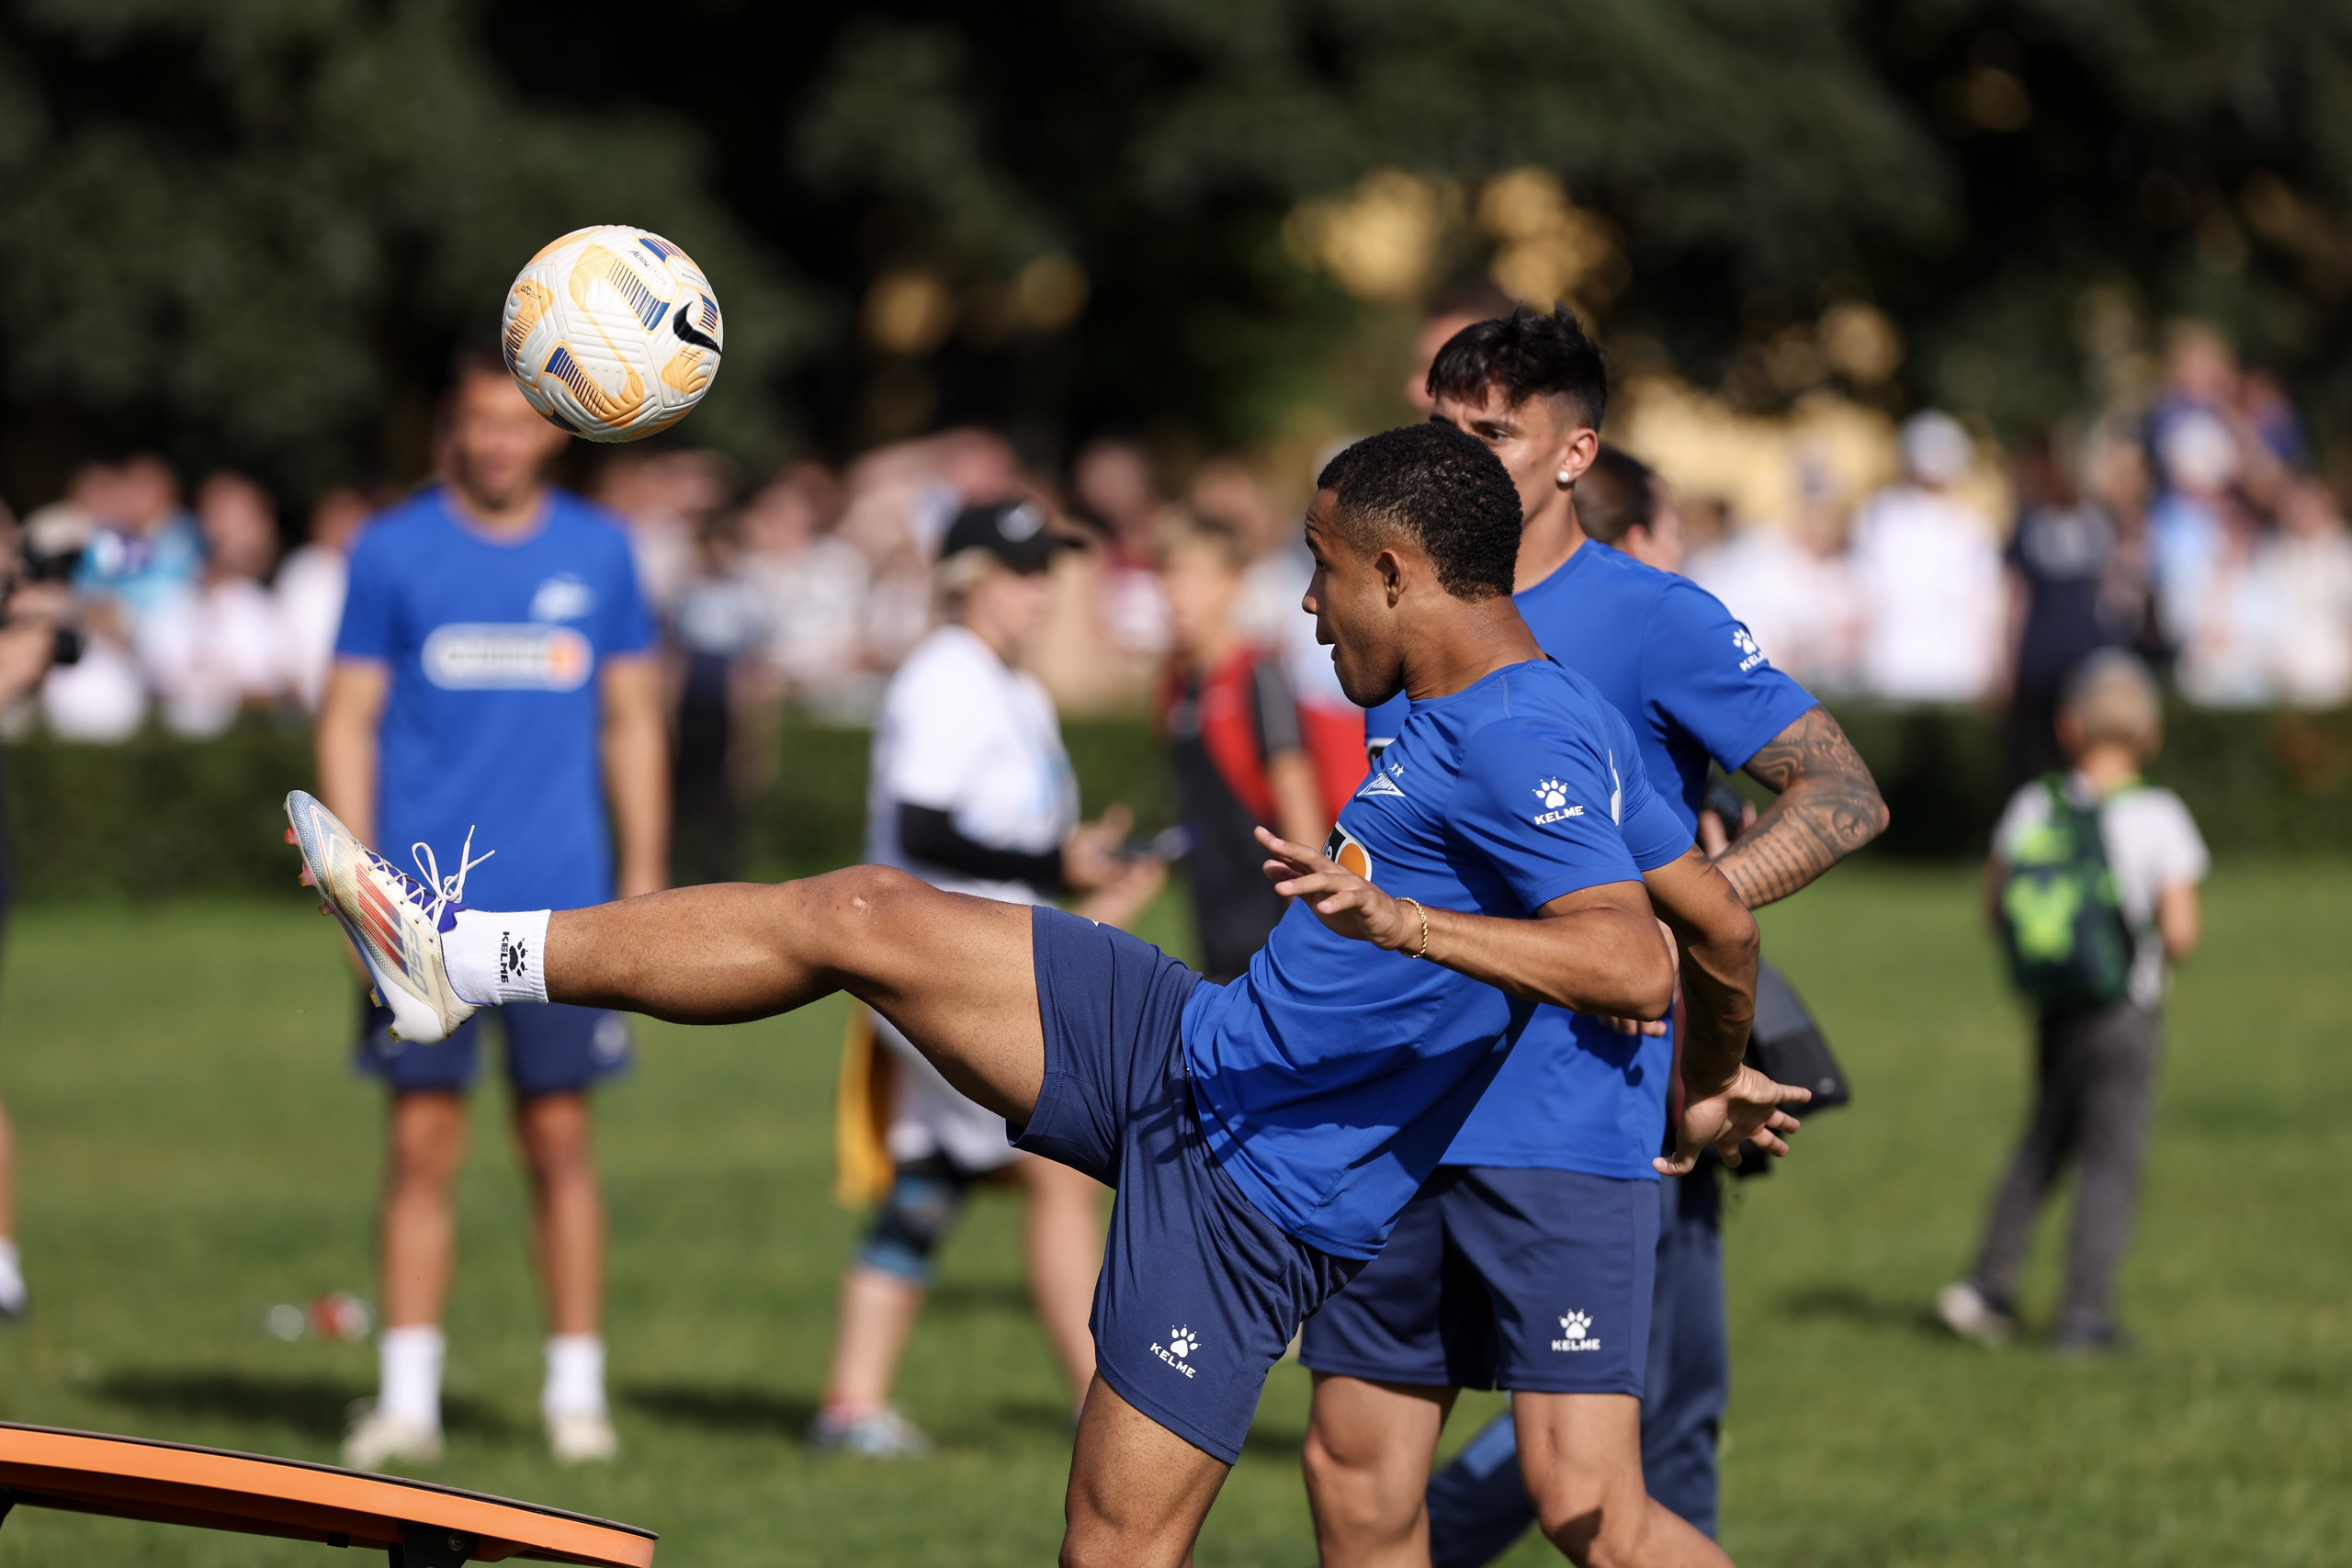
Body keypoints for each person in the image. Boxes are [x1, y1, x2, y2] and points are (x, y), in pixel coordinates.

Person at [289, 421, 1802, 1567]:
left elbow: (1630, 953)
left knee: (1114, 1548)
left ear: (1398, 572)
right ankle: (457, 956)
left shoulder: (1524, 733)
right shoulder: (1485, 702)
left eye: (1325, 572)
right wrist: (1706, 1077)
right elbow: (1715, 945)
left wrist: (1407, 923)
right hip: (1185, 1040)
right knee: (861, 913)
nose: (1307, 603)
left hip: (1254, 1197)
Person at [1364, 306, 1887, 1567]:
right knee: (1355, 1480)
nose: (1454, 456)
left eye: (1490, 433)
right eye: (1442, 427)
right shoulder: (1399, 596)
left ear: (1575, 454)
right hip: (1403, 1082)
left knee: (1584, 1499)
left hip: (1577, 1094)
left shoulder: (1652, 615)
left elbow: (1843, 792)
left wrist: (1684, 905)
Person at [314, 347, 668, 1469]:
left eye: (517, 425)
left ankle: (576, 1398)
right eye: (478, 423)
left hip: (565, 909)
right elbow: (347, 717)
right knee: (420, 1149)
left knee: (559, 1143)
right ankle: (406, 1401)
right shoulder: (391, 548)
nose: (498, 442)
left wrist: (646, 883)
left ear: (557, 432)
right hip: (422, 918)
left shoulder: (603, 552)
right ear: (453, 431)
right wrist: (354, 883)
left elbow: (631, 722)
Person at [813, 500, 1164, 1459]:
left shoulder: (1007, 684)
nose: (1039, 591)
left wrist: (1073, 864)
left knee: (929, 1180)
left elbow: (1000, 838)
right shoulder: (946, 676)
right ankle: (1109, 1406)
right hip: (948, 966)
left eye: (1046, 570)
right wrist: (1052, 866)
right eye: (1020, 571)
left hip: (964, 961)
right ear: (966, 579)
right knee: (1063, 1173)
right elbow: (924, 828)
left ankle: (850, 1405)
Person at [1938, 651, 2205, 1354]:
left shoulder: (2034, 805)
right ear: (2152, 733)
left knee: (2044, 1138)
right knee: (2111, 1158)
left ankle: (1987, 1284)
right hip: (2126, 1009)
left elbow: (1994, 908)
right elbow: (2181, 931)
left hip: (2053, 1006)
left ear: (2066, 726)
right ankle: (2085, 1314)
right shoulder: (2159, 815)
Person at [1157, 517, 1329, 983]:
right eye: (1168, 576)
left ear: (1233, 584)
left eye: (1193, 577)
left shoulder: (1257, 675)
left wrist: (1310, 932)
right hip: (1212, 921)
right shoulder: (1178, 684)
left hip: (1270, 922)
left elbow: (1297, 800)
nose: (1176, 593)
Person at [1848, 412, 2006, 703]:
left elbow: (1987, 607)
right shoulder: (1881, 517)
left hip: (1950, 672)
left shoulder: (1971, 528)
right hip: (1895, 668)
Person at [138, 471, 288, 737]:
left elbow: (283, 687)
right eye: (216, 515)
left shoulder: (278, 601)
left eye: (239, 519)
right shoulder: (176, 597)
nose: (223, 530)